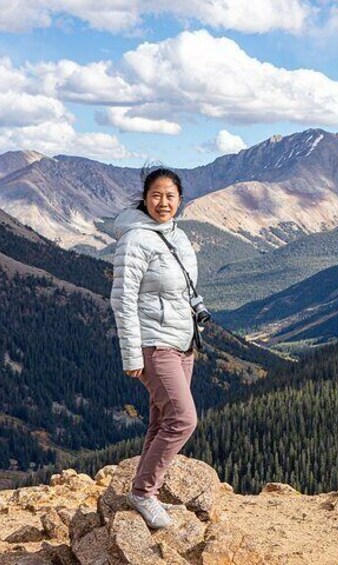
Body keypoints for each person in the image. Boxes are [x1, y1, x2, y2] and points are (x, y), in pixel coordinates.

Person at [110, 168, 199, 529]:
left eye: (170, 196)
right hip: (153, 342)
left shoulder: (178, 236)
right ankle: (144, 492)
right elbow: (123, 300)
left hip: (182, 342)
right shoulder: (134, 241)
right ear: (145, 199)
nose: (164, 203)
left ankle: (145, 493)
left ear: (180, 200)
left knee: (162, 419)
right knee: (183, 419)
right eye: (156, 195)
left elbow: (183, 289)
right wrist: (132, 355)